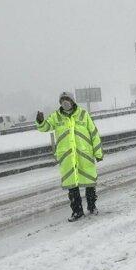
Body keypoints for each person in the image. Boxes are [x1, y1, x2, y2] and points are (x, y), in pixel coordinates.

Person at [36, 92, 103, 222]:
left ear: (73, 101)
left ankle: (92, 206)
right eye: (62, 100)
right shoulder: (56, 116)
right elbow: (45, 127)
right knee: (72, 187)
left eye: (67, 99)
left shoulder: (83, 114)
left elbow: (94, 133)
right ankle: (77, 211)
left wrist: (98, 152)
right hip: (67, 158)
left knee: (89, 183)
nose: (65, 102)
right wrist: (40, 121)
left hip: (84, 155)